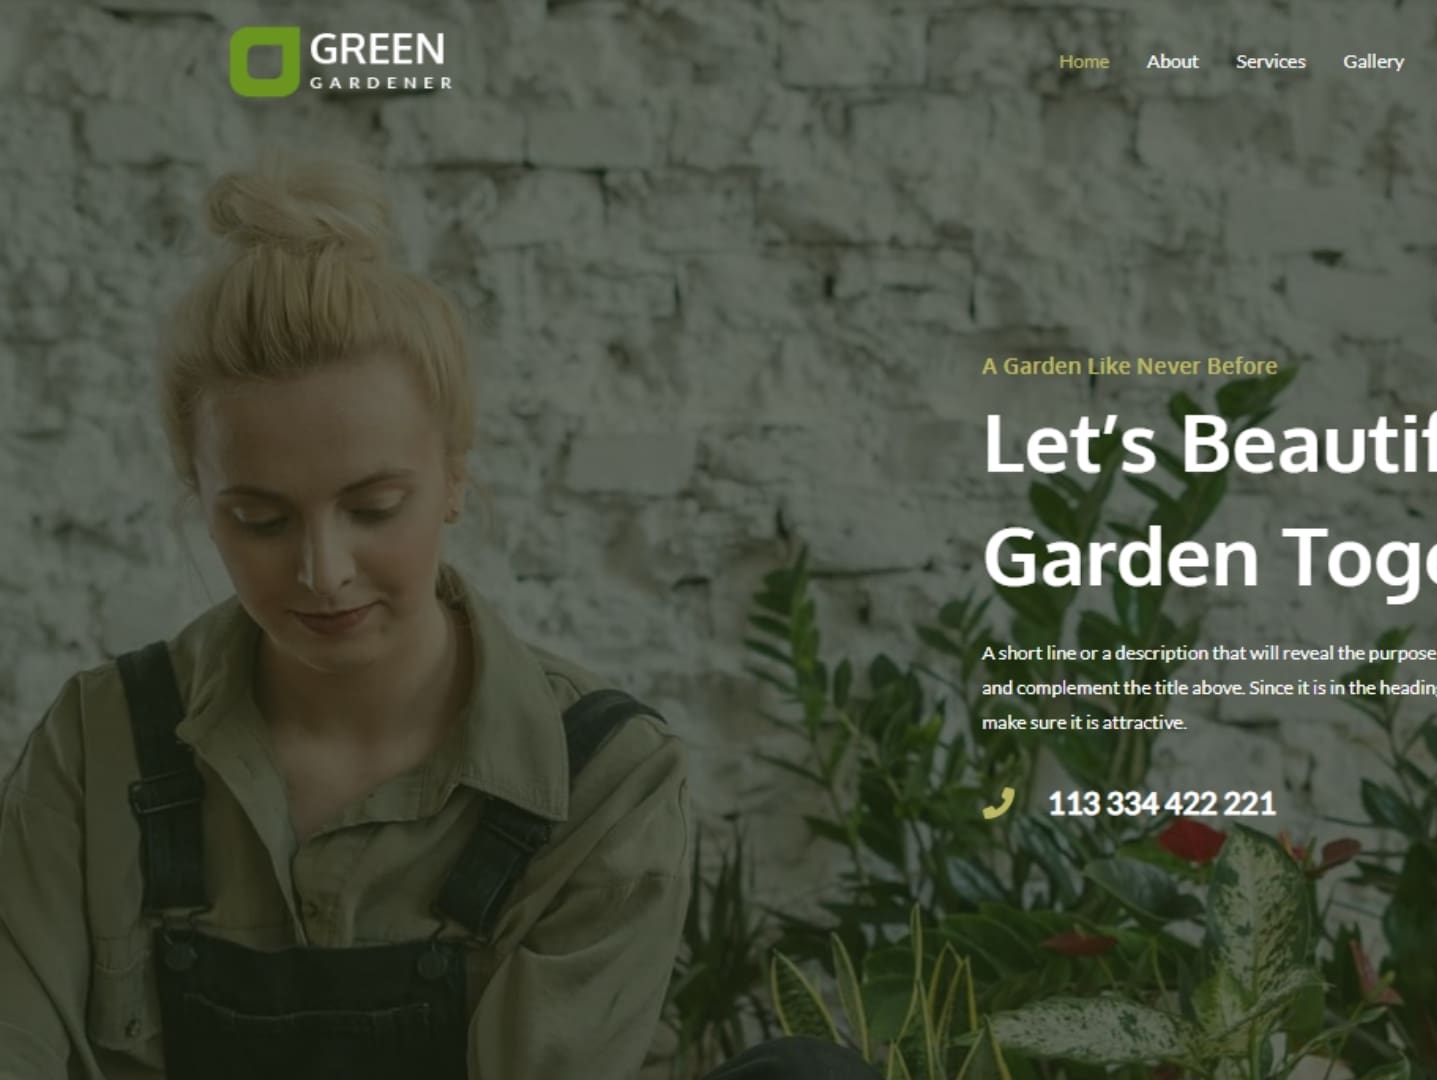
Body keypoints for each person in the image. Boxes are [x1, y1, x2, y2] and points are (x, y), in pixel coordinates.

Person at [0, 153, 877, 1080]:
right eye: (261, 520)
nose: (323, 572)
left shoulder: (602, 779)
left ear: (455, 477)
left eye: (373, 508)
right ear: (199, 497)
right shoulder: (98, 745)